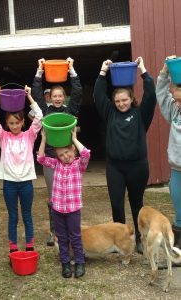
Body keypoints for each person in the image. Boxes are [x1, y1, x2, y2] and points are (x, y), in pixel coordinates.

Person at [93, 56, 156, 254]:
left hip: (138, 166)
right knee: (116, 204)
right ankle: (120, 238)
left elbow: (151, 95)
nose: (121, 103)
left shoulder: (140, 114)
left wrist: (143, 70)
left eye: (125, 100)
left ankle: (138, 239)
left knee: (137, 204)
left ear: (131, 99)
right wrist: (103, 72)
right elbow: (97, 95)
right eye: (117, 100)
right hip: (115, 167)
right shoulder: (109, 112)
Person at [31, 57, 83, 247]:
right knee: (54, 197)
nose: (58, 98)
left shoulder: (70, 111)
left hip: (69, 161)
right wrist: (39, 71)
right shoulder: (45, 112)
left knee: (70, 197)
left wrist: (72, 70)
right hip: (52, 161)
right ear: (50, 98)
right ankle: (55, 232)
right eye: (55, 96)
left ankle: (72, 230)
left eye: (61, 95)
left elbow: (78, 92)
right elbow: (36, 94)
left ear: (64, 97)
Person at [0, 85, 42, 254]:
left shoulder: (30, 136)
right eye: (11, 123)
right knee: (13, 216)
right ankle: (13, 247)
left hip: (26, 183)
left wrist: (29, 97)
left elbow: (39, 116)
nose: (14, 126)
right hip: (9, 184)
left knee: (27, 215)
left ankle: (29, 245)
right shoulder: (3, 136)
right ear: (7, 123)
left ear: (23, 122)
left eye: (17, 122)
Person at [37, 128, 90, 278]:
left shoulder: (79, 165)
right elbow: (40, 158)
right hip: (58, 209)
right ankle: (65, 263)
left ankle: (80, 262)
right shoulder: (56, 164)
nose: (65, 156)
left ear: (73, 149)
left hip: (73, 209)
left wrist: (74, 139)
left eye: (67, 152)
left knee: (75, 236)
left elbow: (86, 153)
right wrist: (43, 140)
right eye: (61, 155)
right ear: (57, 157)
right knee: (61, 237)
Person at [156, 55, 181, 247]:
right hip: (177, 170)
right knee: (179, 211)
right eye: (177, 100)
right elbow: (162, 95)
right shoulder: (174, 111)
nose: (177, 104)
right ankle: (178, 249)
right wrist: (165, 72)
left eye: (180, 101)